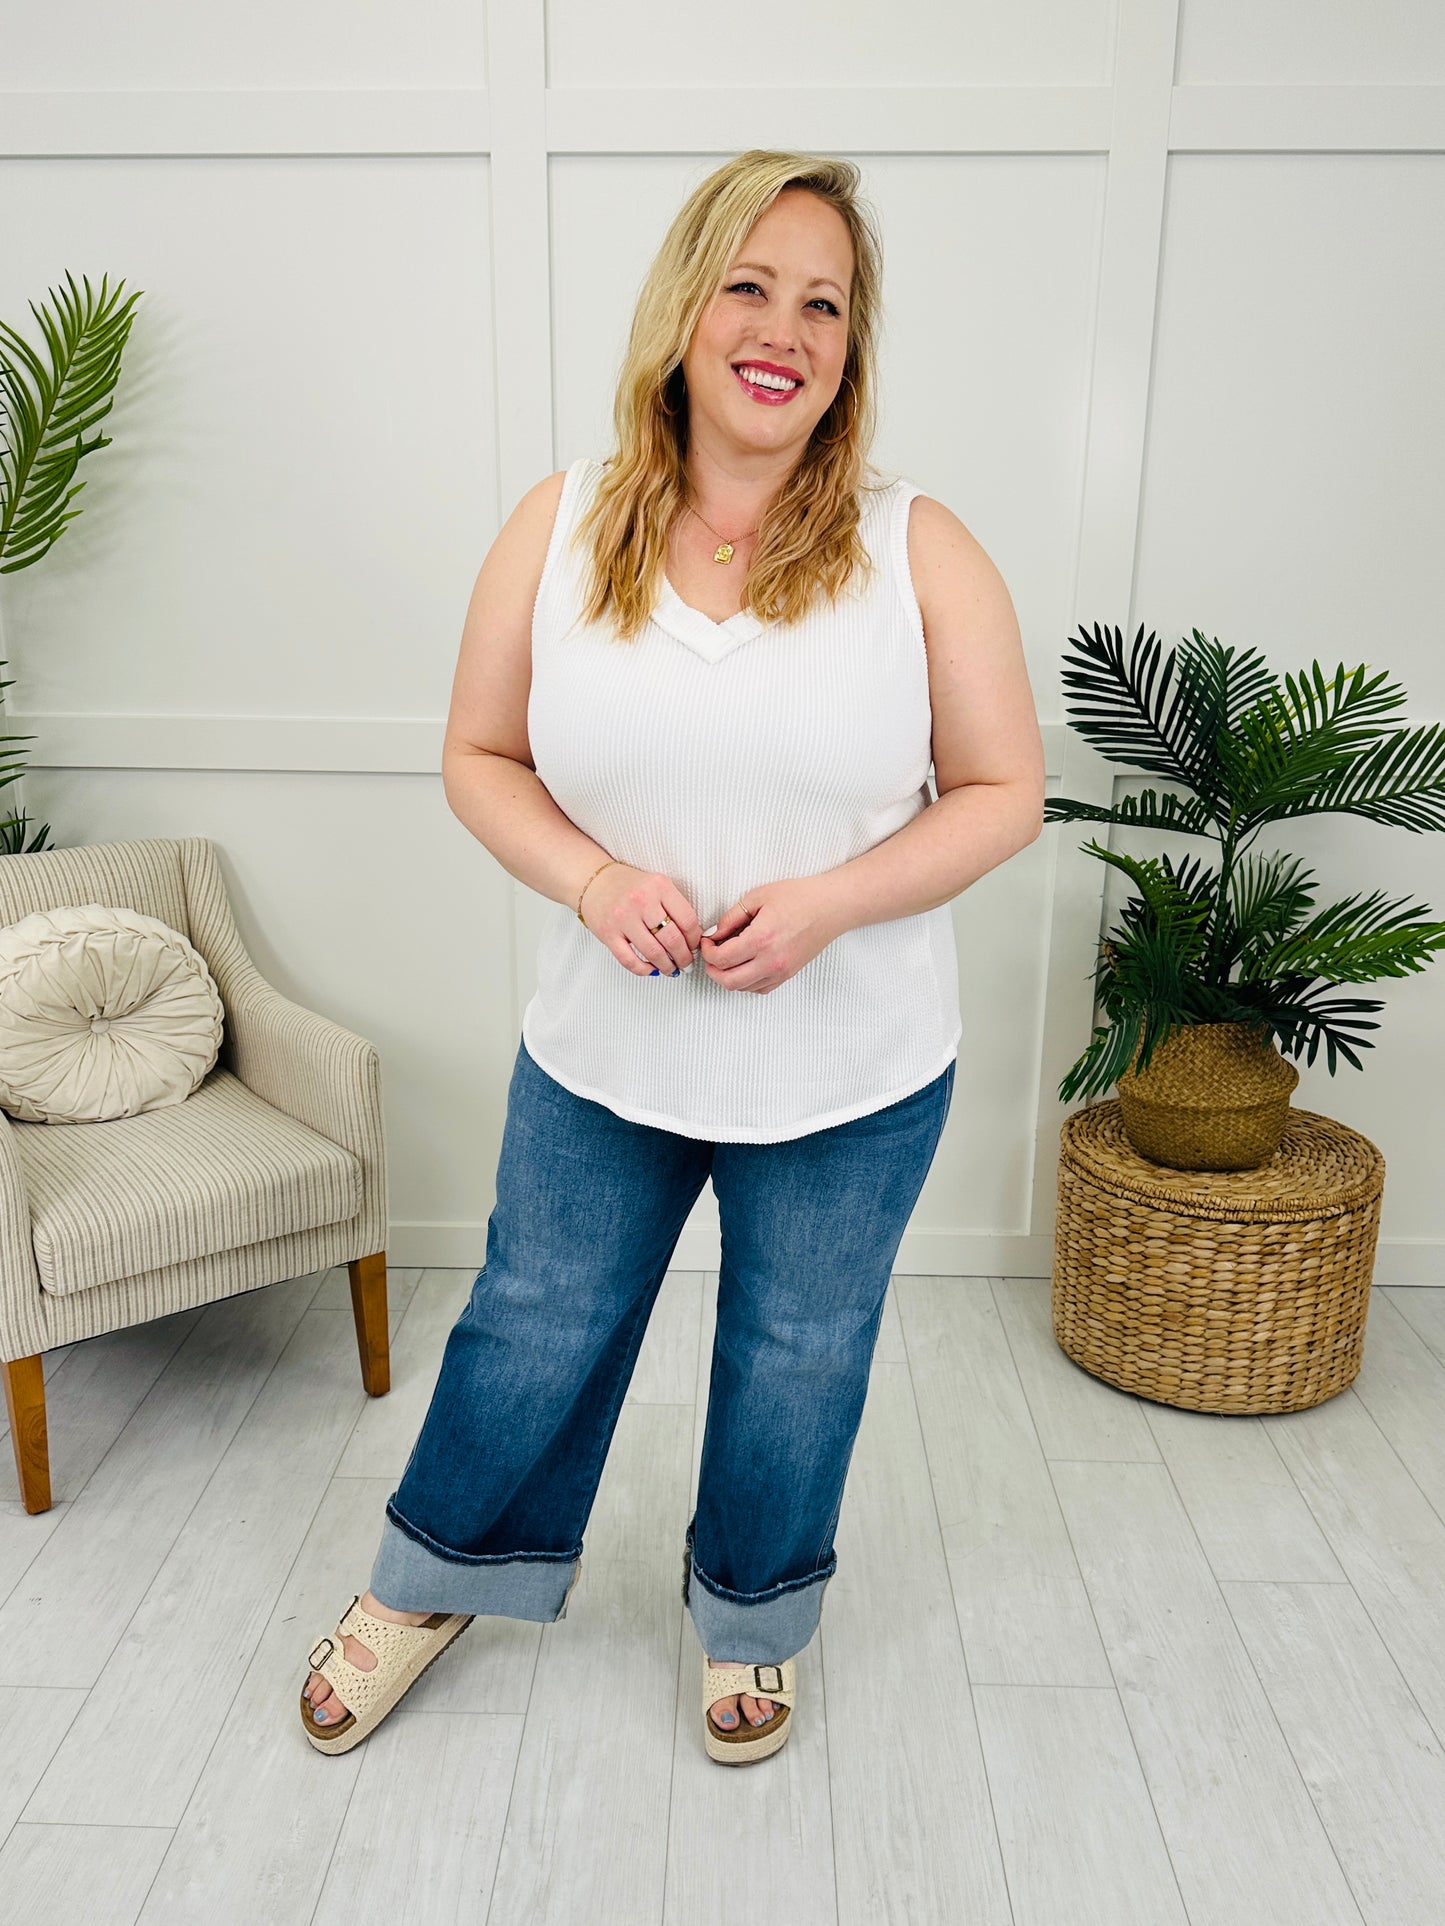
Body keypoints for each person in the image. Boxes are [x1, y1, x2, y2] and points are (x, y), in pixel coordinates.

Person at [300, 148, 1044, 1765]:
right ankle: (430, 1580)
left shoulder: (918, 546)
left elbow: (1004, 791)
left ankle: (752, 1611)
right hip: (606, 1049)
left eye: (823, 304)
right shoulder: (560, 523)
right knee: (532, 1318)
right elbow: (479, 754)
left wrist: (833, 901)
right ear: (684, 308)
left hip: (852, 1068)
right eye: (749, 286)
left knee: (798, 1353)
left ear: (851, 347)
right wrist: (587, 879)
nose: (783, 330)